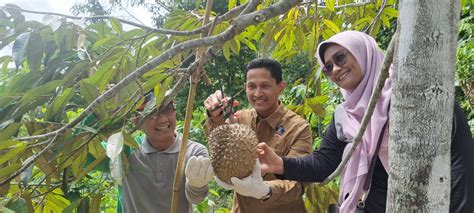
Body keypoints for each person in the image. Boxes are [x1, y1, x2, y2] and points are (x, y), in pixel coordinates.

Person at [257, 31, 474, 212]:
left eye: (340, 58)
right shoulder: (344, 115)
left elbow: (460, 160)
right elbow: (325, 163)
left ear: (363, 52)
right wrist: (281, 164)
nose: (335, 70)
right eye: (328, 67)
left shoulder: (413, 96)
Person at [203, 58, 313, 212]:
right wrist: (215, 115)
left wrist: (264, 190)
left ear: (281, 87)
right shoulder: (239, 119)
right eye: (252, 86)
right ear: (245, 87)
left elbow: (299, 183)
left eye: (265, 86)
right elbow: (218, 141)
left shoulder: (298, 128)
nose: (257, 93)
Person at [118, 92, 214, 213]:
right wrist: (100, 112)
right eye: (152, 113)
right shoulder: (124, 151)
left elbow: (196, 198)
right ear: (136, 120)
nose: (163, 119)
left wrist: (197, 184)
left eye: (167, 109)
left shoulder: (193, 151)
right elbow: (88, 157)